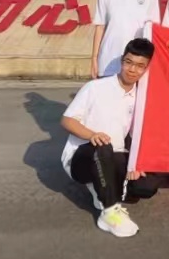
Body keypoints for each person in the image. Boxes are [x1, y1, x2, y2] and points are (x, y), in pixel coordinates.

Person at [60, 38, 160, 237]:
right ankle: (109, 212)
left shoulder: (141, 97)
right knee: (103, 147)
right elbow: (67, 121)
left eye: (140, 66)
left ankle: (102, 188)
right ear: (122, 60)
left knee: (146, 186)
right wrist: (92, 135)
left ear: (147, 68)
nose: (132, 70)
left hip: (114, 156)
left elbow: (137, 135)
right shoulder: (96, 88)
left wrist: (136, 163)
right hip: (82, 157)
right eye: (129, 62)